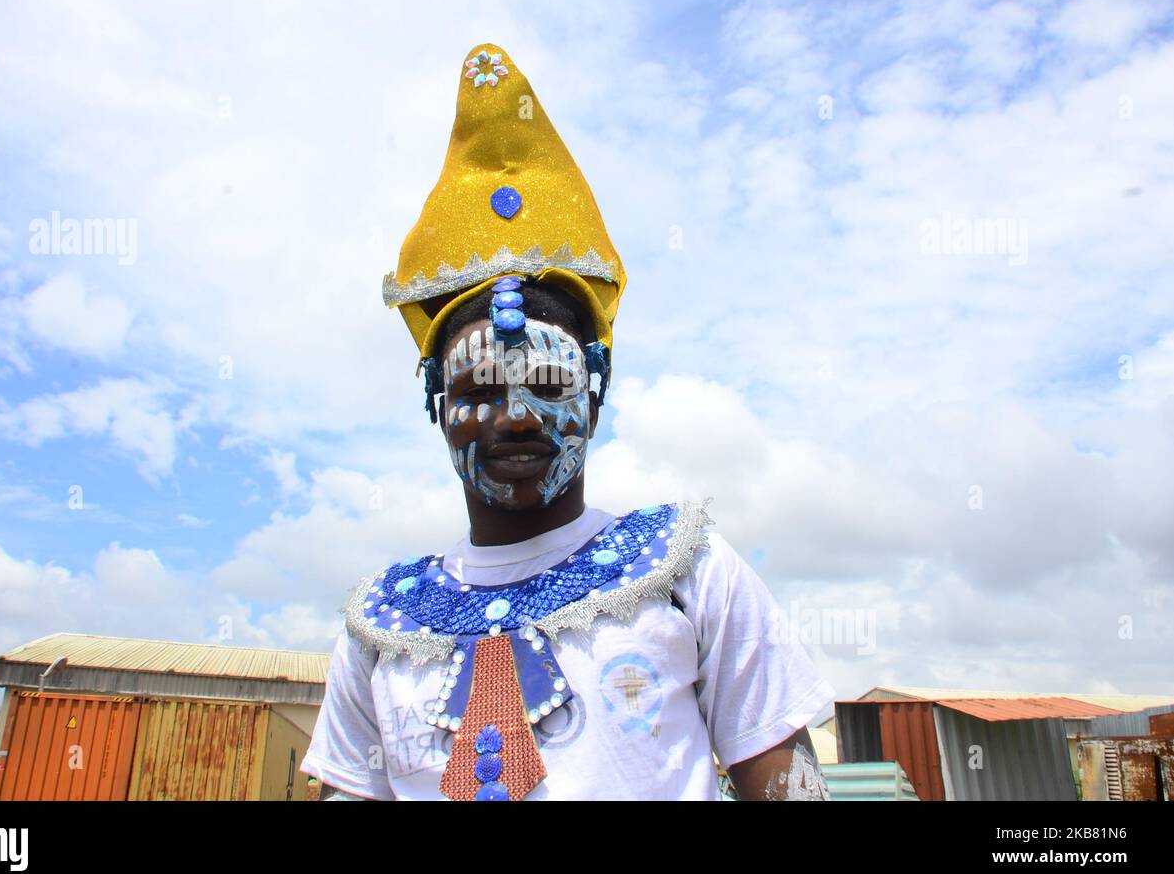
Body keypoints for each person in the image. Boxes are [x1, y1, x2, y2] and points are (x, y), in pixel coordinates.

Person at [301, 44, 835, 801]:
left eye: (549, 379)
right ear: (437, 405)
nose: (516, 415)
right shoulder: (380, 629)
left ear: (596, 390)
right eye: (480, 384)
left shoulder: (687, 574)